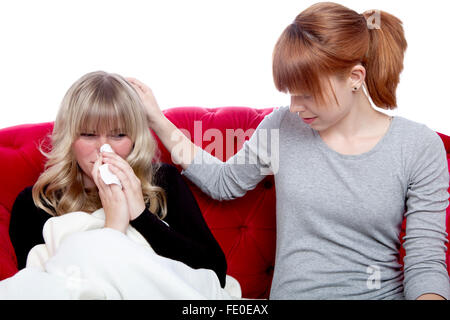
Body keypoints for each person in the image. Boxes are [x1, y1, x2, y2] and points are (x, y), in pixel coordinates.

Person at [127, 2, 450, 300]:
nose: (295, 107)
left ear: (354, 77)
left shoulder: (418, 146)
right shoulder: (281, 125)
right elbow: (224, 182)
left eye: (307, 95)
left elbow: (426, 261)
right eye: (290, 94)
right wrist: (157, 118)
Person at [7, 71, 227, 298]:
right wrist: (113, 227)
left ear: (134, 138)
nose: (105, 148)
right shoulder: (36, 202)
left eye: (119, 135)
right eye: (89, 135)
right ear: (69, 137)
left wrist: (141, 215)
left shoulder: (164, 181)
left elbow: (215, 272)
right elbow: (41, 288)